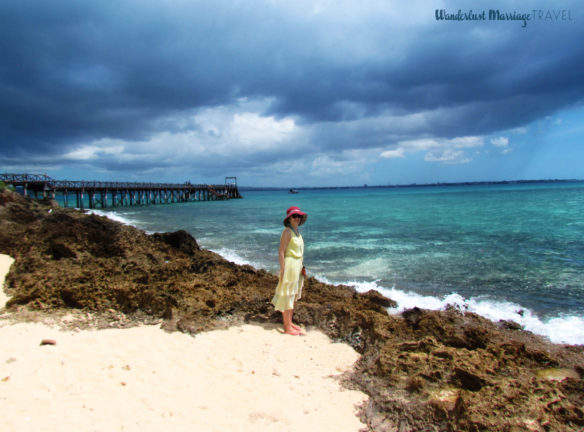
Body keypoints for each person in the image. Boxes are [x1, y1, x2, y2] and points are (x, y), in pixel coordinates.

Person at [271, 206, 308, 335]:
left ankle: (290, 322)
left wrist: (302, 268)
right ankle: (287, 327)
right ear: (289, 218)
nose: (297, 218)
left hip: (297, 266)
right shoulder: (287, 232)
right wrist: (283, 270)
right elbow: (281, 252)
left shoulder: (296, 232)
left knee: (293, 295)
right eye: (294, 216)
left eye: (299, 216)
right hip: (290, 266)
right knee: (287, 295)